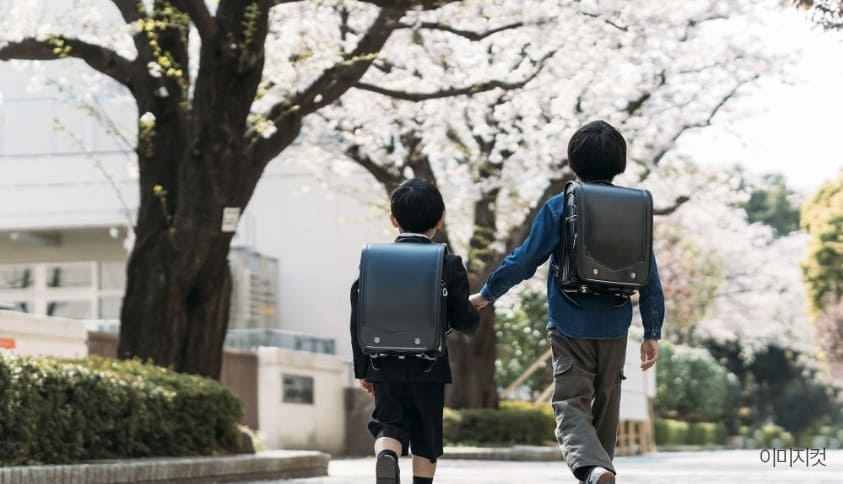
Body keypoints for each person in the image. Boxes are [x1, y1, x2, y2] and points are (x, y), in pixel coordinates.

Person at [469, 120, 665, 484]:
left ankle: (593, 470)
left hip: (569, 319)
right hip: (615, 323)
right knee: (607, 406)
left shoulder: (561, 205)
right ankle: (600, 470)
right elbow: (648, 273)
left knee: (570, 402)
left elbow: (526, 259)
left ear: (574, 161)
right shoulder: (635, 210)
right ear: (619, 162)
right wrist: (652, 330)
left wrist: (488, 293)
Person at [350, 178, 480, 484]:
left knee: (387, 423)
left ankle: (387, 454)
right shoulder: (448, 263)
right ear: (440, 219)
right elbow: (464, 319)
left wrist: (363, 368)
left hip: (383, 362)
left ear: (393, 219)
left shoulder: (373, 261)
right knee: (426, 435)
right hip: (429, 366)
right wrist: (472, 312)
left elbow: (357, 314)